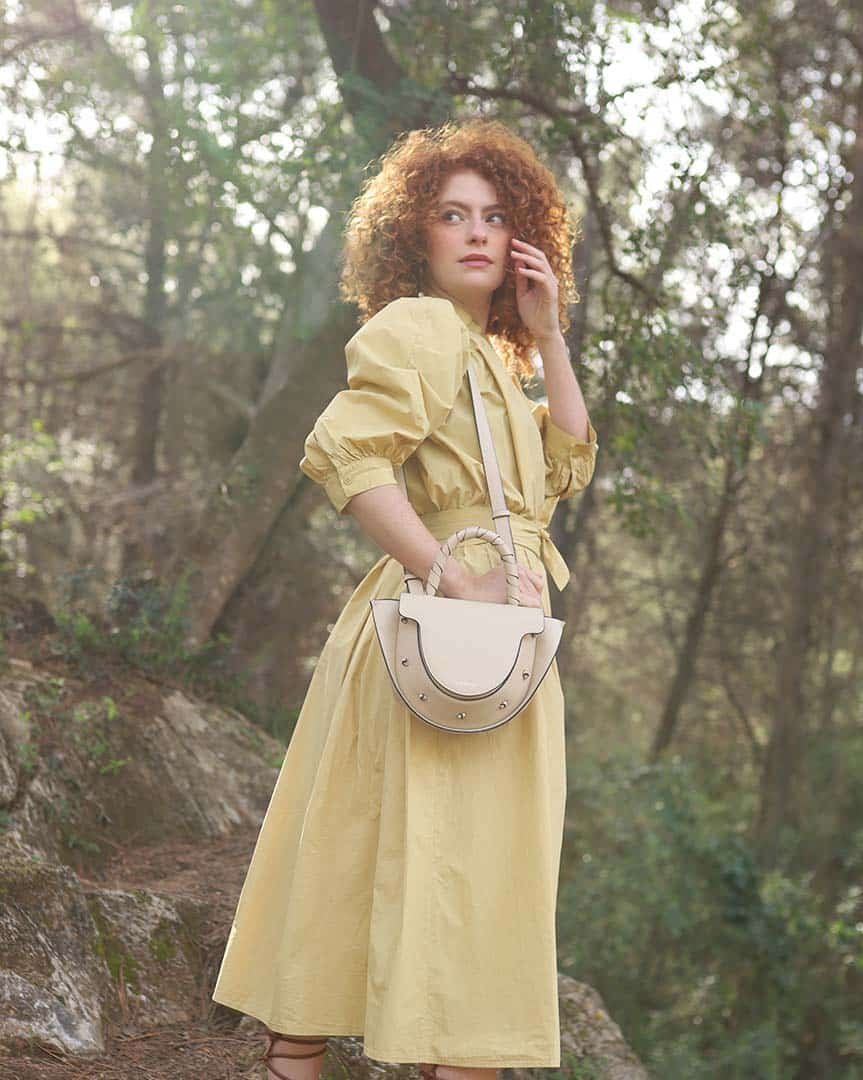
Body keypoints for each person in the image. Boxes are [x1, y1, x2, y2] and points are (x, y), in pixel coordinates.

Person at [211, 117, 598, 1080]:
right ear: (412, 236)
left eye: (494, 216)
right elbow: (344, 452)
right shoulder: (422, 327)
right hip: (445, 630)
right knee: (455, 867)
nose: (476, 232)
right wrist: (451, 573)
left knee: (437, 859)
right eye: (451, 214)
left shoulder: (492, 359)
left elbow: (566, 465)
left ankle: (304, 1053)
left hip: (500, 637)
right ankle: (330, 1055)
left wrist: (549, 336)